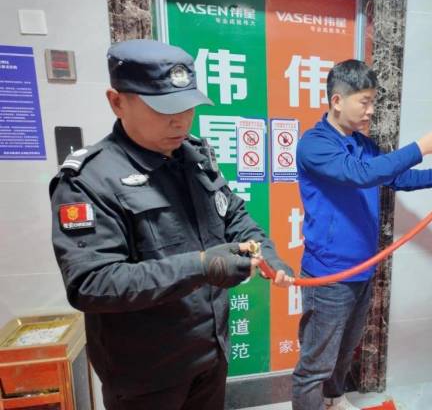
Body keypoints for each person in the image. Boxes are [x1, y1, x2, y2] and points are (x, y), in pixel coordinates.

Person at [49, 39, 293, 410]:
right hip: (146, 376)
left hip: (210, 354)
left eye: (186, 107)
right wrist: (200, 266)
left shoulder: (194, 157)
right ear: (117, 102)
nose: (179, 121)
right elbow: (91, 283)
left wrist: (266, 251)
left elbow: (233, 215)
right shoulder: (89, 180)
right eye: (162, 109)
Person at [292, 59, 432, 410]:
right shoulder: (314, 145)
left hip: (363, 269)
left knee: (345, 351)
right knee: (316, 365)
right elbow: (359, 174)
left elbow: (396, 177)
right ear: (337, 100)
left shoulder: (364, 145)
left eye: (373, 101)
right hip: (329, 275)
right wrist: (421, 146)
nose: (371, 110)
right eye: (364, 102)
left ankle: (334, 400)